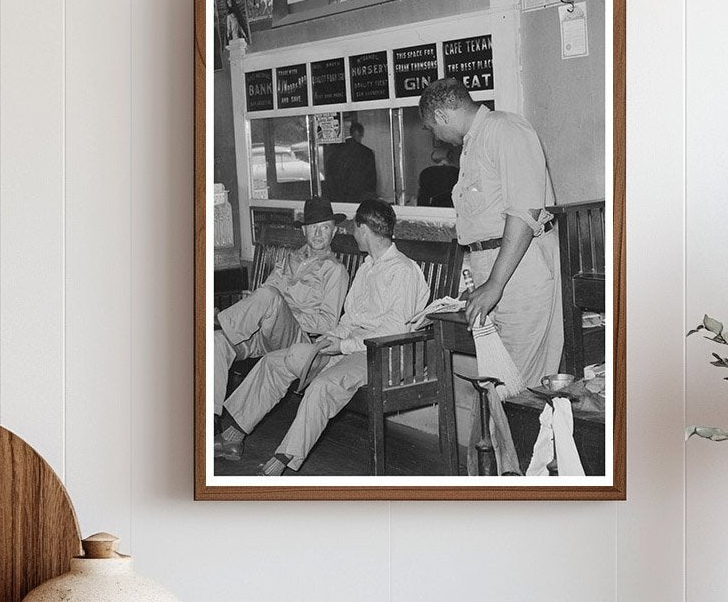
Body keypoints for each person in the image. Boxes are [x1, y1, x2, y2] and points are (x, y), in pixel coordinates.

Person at [215, 199, 429, 475]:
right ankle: (234, 433)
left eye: (354, 228)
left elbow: (393, 329)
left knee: (322, 386)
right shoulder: (367, 268)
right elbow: (348, 319)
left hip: (379, 352)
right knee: (276, 362)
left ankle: (284, 458)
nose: (352, 234)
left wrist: (344, 344)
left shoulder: (401, 270)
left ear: (363, 229)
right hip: (349, 345)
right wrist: (328, 340)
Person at [418, 78, 563, 387]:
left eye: (433, 129)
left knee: (518, 386)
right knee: (498, 382)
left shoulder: (506, 130)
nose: (437, 138)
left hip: (520, 271)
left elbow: (525, 213)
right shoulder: (472, 144)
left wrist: (495, 283)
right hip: (497, 268)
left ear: (442, 115)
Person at [214, 198, 349, 442]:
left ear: (334, 231)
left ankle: (219, 320)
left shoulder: (335, 271)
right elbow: (263, 297)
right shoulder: (288, 259)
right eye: (313, 227)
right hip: (267, 332)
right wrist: (270, 312)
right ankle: (210, 421)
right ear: (304, 230)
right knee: (215, 342)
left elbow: (329, 323)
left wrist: (286, 314)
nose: (318, 233)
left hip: (297, 338)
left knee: (269, 297)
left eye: (325, 227)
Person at [324, 120, 377, 203]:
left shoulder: (333, 154)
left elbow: (330, 182)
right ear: (357, 134)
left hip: (338, 203)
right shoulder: (367, 153)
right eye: (361, 136)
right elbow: (371, 182)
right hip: (361, 202)